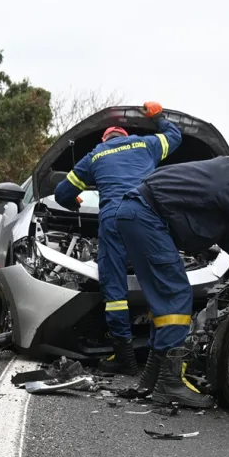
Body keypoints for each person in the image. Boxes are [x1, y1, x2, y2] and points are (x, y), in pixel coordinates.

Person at [114, 157, 229, 407]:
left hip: (138, 215)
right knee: (175, 297)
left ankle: (153, 377)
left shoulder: (222, 185)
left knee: (164, 300)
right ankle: (170, 384)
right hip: (146, 216)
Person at [54, 102, 182, 376]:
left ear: (105, 139)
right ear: (125, 136)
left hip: (113, 219)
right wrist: (158, 118)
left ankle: (124, 355)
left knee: (115, 291)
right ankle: (161, 356)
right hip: (147, 214)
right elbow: (175, 137)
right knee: (158, 284)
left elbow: (61, 194)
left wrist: (75, 201)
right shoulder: (146, 144)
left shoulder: (96, 155)